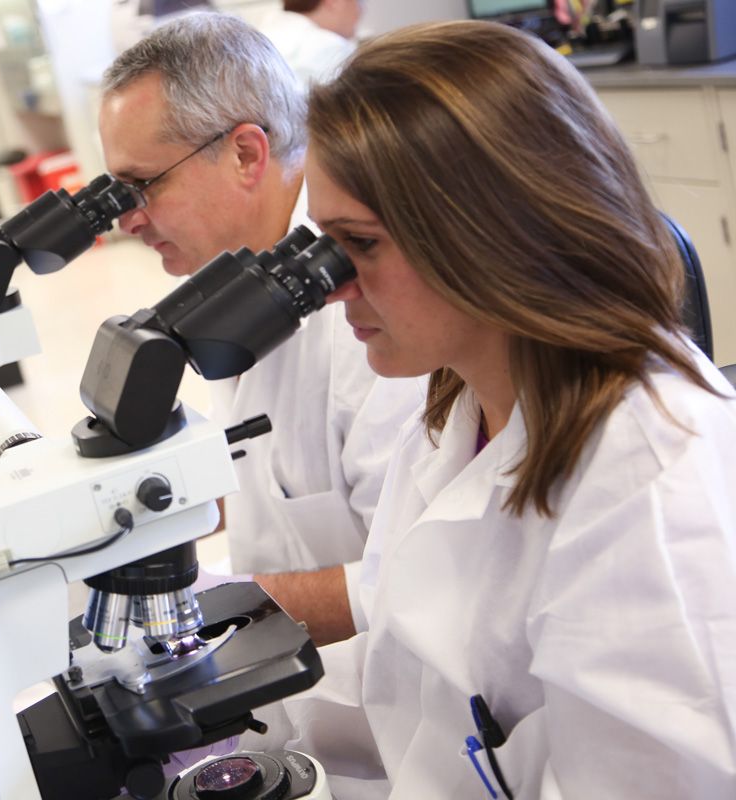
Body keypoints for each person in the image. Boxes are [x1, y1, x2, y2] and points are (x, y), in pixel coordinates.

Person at [243, 20, 736, 798]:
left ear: (487, 234)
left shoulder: (647, 481)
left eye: (358, 245)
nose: (331, 288)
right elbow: (415, 670)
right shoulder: (462, 405)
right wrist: (228, 714)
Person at [98, 13, 423, 646]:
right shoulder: (236, 271)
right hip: (294, 682)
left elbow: (420, 584)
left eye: (141, 187)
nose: (125, 222)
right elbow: (261, 471)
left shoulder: (368, 305)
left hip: (385, 705)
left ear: (246, 154)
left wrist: (201, 602)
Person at [257, 0, 363, 86]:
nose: (362, 10)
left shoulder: (259, 34)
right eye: (360, 1)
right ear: (334, 2)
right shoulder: (332, 49)